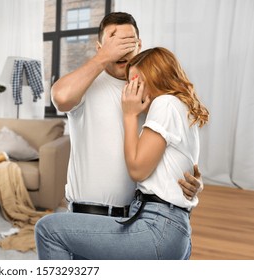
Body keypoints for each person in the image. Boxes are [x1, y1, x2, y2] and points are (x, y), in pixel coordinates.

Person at [34, 12, 202, 259]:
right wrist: (104, 57)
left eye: (128, 41)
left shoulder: (155, 96)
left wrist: (192, 182)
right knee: (51, 232)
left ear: (139, 45)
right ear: (100, 46)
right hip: (87, 217)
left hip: (137, 219)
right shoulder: (87, 83)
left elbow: (173, 153)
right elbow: (61, 97)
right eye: (113, 41)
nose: (121, 49)